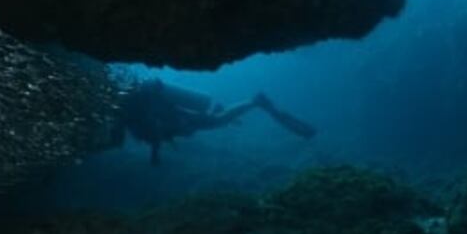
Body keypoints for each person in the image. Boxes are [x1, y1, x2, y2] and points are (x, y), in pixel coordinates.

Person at [114, 78, 316, 165]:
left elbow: (155, 129)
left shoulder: (133, 115)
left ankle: (255, 101)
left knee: (217, 121)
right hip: (181, 120)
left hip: (183, 119)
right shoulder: (131, 113)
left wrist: (154, 155)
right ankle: (247, 104)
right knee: (217, 119)